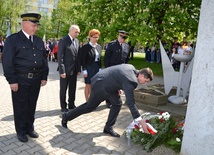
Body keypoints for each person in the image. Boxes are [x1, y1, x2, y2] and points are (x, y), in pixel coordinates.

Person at [61, 64, 154, 137]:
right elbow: (131, 103)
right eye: (146, 81)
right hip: (100, 85)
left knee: (117, 103)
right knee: (89, 107)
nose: (145, 83)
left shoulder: (131, 68)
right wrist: (141, 122)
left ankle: (108, 128)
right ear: (141, 75)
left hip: (108, 85)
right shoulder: (131, 81)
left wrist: (118, 86)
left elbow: (118, 76)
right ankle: (66, 116)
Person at [2, 13, 49, 142]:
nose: (36, 28)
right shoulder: (13, 40)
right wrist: (12, 80)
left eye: (37, 26)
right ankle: (21, 130)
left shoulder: (39, 41)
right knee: (20, 106)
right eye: (34, 25)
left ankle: (29, 128)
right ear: (25, 24)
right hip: (20, 80)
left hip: (36, 80)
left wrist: (44, 76)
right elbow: (7, 62)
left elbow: (44, 60)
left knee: (31, 105)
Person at [57, 25, 81, 113]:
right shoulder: (63, 40)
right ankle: (63, 106)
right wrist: (62, 71)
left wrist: (78, 69)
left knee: (73, 88)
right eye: (76, 32)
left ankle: (71, 104)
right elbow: (60, 57)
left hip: (74, 70)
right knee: (63, 89)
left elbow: (78, 56)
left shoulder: (77, 41)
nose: (77, 34)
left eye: (78, 32)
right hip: (65, 70)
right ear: (70, 31)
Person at [104, 30, 130, 108]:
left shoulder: (126, 46)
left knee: (119, 85)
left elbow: (127, 58)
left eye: (124, 38)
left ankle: (117, 100)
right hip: (112, 69)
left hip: (121, 70)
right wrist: (107, 69)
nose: (123, 39)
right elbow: (107, 58)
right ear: (118, 36)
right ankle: (108, 101)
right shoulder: (111, 45)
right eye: (122, 37)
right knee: (110, 86)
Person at [81, 29, 102, 101]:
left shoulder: (99, 47)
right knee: (88, 84)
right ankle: (87, 101)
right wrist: (84, 70)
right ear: (90, 37)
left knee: (95, 85)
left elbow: (100, 58)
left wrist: (100, 68)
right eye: (94, 37)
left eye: (97, 37)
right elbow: (83, 59)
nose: (96, 39)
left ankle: (92, 100)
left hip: (96, 67)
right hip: (89, 67)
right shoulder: (86, 47)